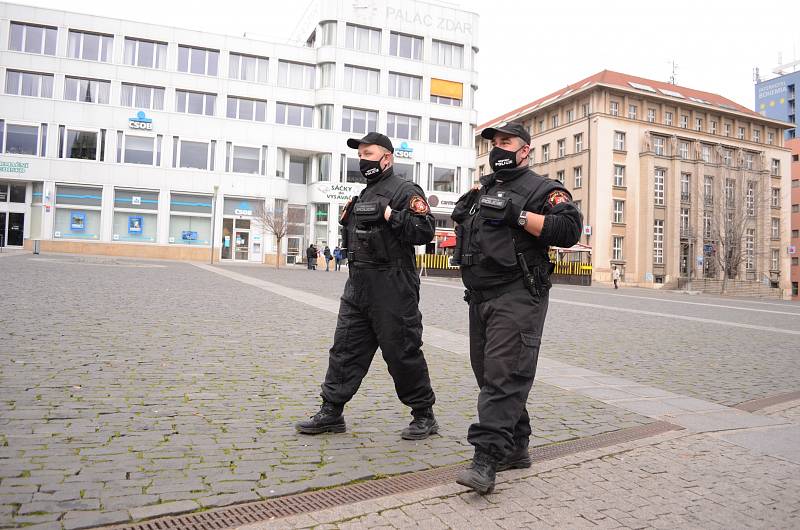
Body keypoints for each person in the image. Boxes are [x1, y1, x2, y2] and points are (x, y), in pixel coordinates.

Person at [451, 122, 582, 494]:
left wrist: (520, 217)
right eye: (494, 143)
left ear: (525, 150)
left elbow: (570, 229)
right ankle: (516, 447)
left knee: (503, 375)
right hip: (480, 296)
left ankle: (486, 460)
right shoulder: (485, 189)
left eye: (506, 142)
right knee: (490, 373)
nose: (498, 149)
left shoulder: (543, 189)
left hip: (519, 293)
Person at [295, 132, 438, 440]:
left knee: (402, 352)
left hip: (392, 285)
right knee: (345, 349)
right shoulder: (363, 194)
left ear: (387, 158)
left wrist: (389, 214)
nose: (362, 160)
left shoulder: (405, 190)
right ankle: (331, 411)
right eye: (360, 155)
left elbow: (424, 230)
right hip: (358, 285)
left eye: (368, 153)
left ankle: (424, 415)